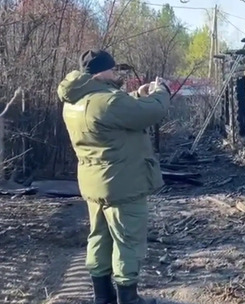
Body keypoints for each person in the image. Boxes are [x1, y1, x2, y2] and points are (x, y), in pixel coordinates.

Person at [57, 49, 171, 304]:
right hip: (123, 184)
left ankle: (103, 297)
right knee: (128, 241)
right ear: (100, 72)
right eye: (112, 69)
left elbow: (112, 110)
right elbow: (149, 113)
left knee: (98, 238)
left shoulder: (75, 100)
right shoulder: (107, 102)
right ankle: (128, 299)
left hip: (94, 184)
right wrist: (162, 92)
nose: (115, 73)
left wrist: (136, 95)